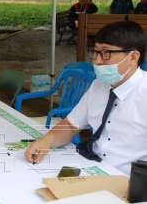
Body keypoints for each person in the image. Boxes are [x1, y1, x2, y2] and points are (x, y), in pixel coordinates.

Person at [24, 21, 147, 177]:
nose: (96, 61)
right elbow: (71, 125)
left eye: (106, 53)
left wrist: (140, 185)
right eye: (95, 52)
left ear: (133, 57)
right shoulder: (98, 86)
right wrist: (46, 141)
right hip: (92, 169)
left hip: (130, 182)